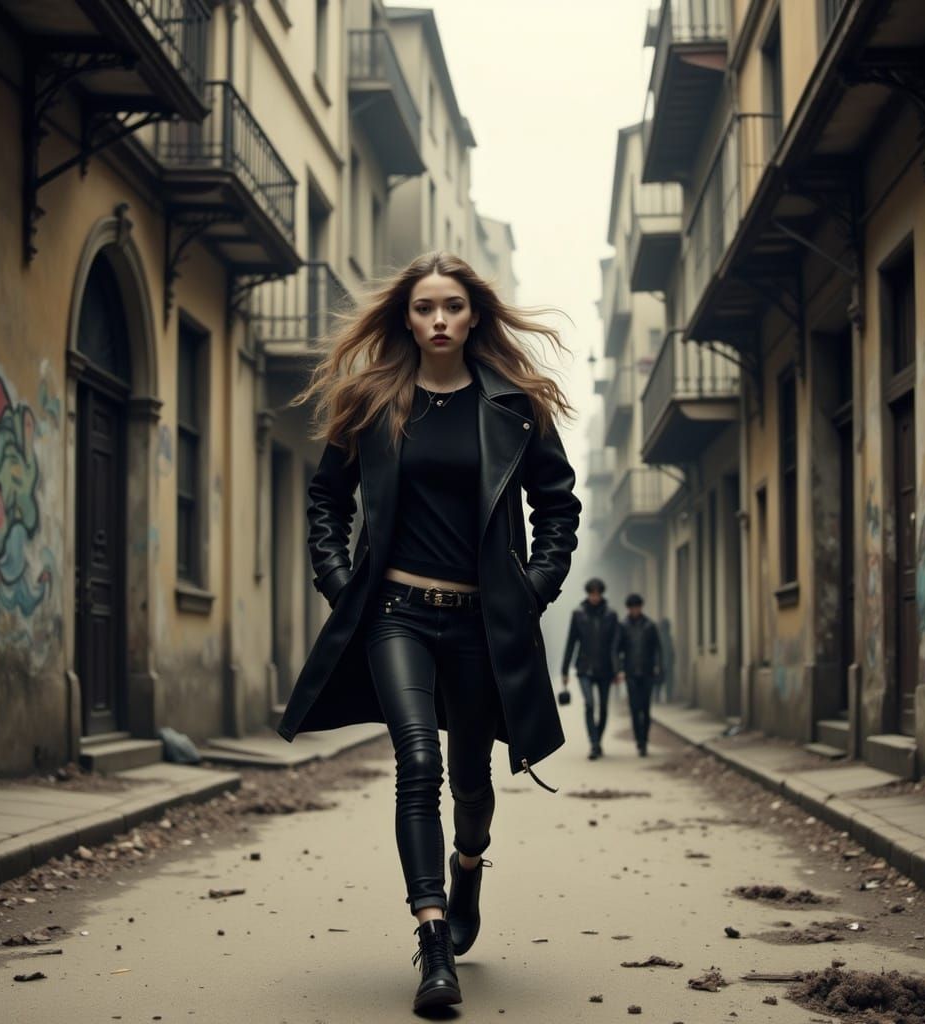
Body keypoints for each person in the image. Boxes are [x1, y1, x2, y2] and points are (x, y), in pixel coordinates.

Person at [275, 252, 581, 1013]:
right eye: (423, 307)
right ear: (405, 317)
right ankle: (434, 938)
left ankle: (468, 863)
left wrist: (532, 589)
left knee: (471, 776)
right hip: (395, 616)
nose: (438, 319)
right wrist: (342, 587)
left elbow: (559, 507)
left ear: (474, 314)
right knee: (419, 761)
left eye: (451, 306)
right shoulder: (372, 400)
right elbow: (326, 501)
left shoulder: (513, 405)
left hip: (478, 620)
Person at [560, 577, 621, 759]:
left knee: (603, 707)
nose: (594, 596)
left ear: (601, 594)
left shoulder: (611, 615)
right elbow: (571, 642)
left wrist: (617, 670)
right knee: (589, 704)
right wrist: (564, 670)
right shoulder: (578, 614)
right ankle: (594, 744)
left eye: (597, 593)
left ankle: (598, 740)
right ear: (588, 594)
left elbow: (615, 646)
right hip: (584, 667)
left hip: (605, 668)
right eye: (592, 593)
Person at [615, 593, 662, 756]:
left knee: (646, 708)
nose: (635, 610)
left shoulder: (650, 626)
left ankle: (645, 739)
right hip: (631, 673)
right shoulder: (623, 626)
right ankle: (639, 741)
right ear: (628, 608)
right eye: (632, 607)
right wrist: (619, 669)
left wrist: (658, 667)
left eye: (637, 607)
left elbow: (657, 649)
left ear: (641, 607)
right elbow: (617, 649)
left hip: (647, 672)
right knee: (635, 709)